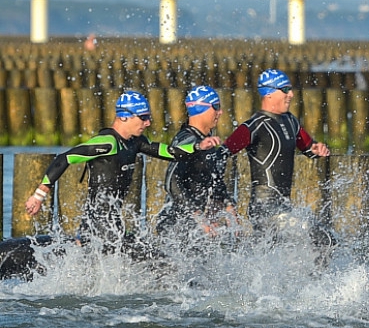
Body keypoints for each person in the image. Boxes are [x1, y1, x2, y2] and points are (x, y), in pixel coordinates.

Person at [24, 91, 221, 254]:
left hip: (112, 220)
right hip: (100, 220)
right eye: (143, 118)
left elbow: (170, 153)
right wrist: (39, 196)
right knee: (145, 256)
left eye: (149, 117)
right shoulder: (107, 142)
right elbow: (64, 158)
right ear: (124, 117)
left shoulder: (136, 142)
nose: (148, 123)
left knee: (101, 253)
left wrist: (198, 146)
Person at [222, 69, 332, 246]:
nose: (291, 94)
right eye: (285, 89)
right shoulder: (254, 125)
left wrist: (317, 149)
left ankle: (309, 275)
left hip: (284, 208)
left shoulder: (290, 121)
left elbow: (308, 147)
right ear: (269, 93)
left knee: (325, 241)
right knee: (321, 239)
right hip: (264, 210)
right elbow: (223, 152)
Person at [156, 85, 237, 238]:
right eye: (216, 107)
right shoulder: (187, 141)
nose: (220, 112)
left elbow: (214, 180)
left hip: (193, 226)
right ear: (201, 109)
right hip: (175, 227)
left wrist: (228, 205)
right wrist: (198, 216)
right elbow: (171, 183)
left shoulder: (206, 141)